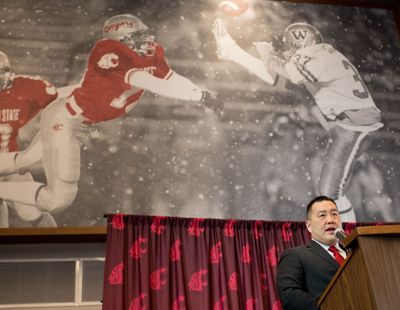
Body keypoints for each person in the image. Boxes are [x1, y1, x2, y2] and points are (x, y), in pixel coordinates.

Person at [0, 14, 223, 215]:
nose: (146, 41)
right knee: (57, 199)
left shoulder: (149, 55)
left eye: (144, 34)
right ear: (119, 42)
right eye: (136, 37)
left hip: (77, 120)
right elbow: (146, 81)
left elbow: (170, 78)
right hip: (65, 121)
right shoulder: (109, 53)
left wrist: (201, 92)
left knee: (29, 160)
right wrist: (198, 97)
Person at [212, 19, 383, 222]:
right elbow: (282, 79)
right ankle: (232, 52)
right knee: (299, 91)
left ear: (301, 43)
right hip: (349, 122)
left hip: (353, 125)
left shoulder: (317, 54)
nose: (288, 53)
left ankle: (350, 239)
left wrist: (269, 57)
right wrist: (236, 53)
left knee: (329, 191)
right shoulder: (326, 57)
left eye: (290, 47)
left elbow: (291, 74)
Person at [0, 51, 58, 227]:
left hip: (10, 164)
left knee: (35, 210)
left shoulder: (24, 88)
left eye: (2, 71)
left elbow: (58, 102)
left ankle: (59, 251)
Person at [276, 196, 346, 310]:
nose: (330, 220)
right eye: (322, 215)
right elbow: (290, 296)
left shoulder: (355, 250)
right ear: (309, 226)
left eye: (334, 214)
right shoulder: (295, 255)